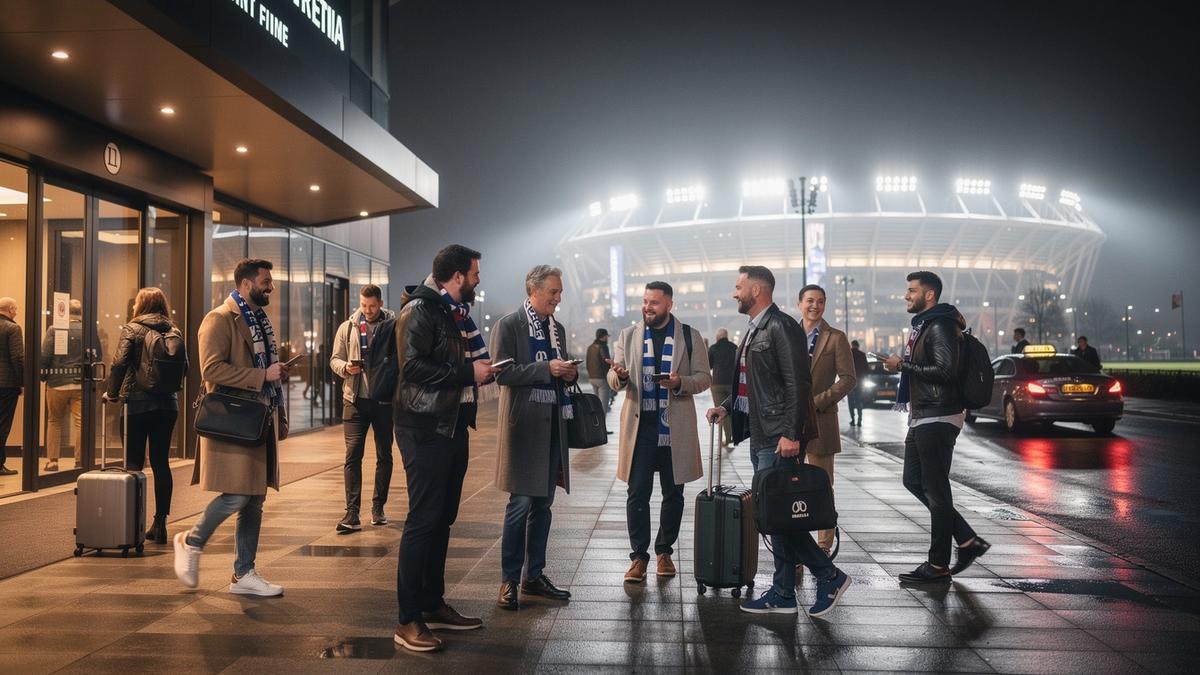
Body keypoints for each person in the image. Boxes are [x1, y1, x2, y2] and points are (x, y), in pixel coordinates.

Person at [706, 266, 851, 618]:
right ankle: (784, 593)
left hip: (777, 436)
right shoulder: (757, 328)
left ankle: (828, 575)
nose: (734, 292)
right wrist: (727, 408)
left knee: (779, 517)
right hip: (762, 433)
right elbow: (752, 385)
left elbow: (797, 385)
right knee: (777, 517)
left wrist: (791, 433)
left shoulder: (781, 326)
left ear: (757, 290)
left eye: (739, 287)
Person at [392, 244, 498, 653]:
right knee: (423, 520)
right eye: (473, 274)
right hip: (424, 425)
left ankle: (432, 603)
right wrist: (467, 372)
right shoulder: (420, 310)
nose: (477, 280)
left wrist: (479, 373)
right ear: (456, 275)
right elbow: (412, 367)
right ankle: (407, 619)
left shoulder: (452, 313)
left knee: (441, 518)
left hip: (452, 423)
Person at [173, 258, 289, 597]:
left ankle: (243, 574)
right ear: (245, 283)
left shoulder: (260, 321)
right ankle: (191, 541)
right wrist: (261, 376)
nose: (270, 286)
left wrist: (280, 413)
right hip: (234, 420)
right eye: (265, 281)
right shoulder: (219, 318)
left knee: (255, 499)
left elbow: (268, 369)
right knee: (237, 495)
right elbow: (210, 370)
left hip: (259, 418)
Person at [883, 271, 990, 584]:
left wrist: (901, 365)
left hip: (938, 416)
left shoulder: (940, 325)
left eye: (911, 291)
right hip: (924, 415)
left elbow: (944, 371)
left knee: (936, 490)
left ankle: (938, 565)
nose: (906, 296)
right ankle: (968, 540)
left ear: (929, 295)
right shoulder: (926, 326)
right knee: (913, 480)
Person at [608, 281, 710, 583]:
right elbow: (615, 378)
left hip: (674, 426)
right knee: (637, 493)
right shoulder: (629, 336)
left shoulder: (690, 336)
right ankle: (638, 557)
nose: (647, 307)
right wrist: (620, 376)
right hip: (640, 428)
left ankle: (664, 552)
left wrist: (680, 383)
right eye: (644, 301)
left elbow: (704, 378)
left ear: (669, 305)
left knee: (673, 493)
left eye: (654, 302)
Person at [491, 265, 577, 610]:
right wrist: (547, 369)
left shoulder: (557, 329)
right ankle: (509, 580)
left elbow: (560, 374)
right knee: (521, 505)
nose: (559, 298)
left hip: (554, 426)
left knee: (543, 506)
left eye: (559, 291)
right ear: (533, 290)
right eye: (553, 292)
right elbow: (502, 372)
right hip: (524, 428)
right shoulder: (510, 325)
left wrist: (568, 373)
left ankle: (534, 575)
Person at [105, 288, 186, 544]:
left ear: (140, 305)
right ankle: (160, 523)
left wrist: (112, 393)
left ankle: (132, 525)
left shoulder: (133, 328)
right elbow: (185, 367)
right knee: (161, 463)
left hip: (137, 404)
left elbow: (119, 362)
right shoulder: (174, 331)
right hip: (168, 405)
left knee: (133, 464)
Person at [329, 283, 397, 532]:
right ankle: (352, 512)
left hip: (384, 401)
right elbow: (334, 359)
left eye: (372, 306)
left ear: (380, 303)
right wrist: (345, 367)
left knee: (384, 455)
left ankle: (378, 508)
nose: (367, 310)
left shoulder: (393, 326)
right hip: (354, 399)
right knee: (352, 455)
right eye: (363, 306)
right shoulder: (348, 327)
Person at [797, 285, 856, 556]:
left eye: (820, 301)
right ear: (800, 304)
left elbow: (848, 379)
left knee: (821, 484)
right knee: (792, 486)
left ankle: (823, 544)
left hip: (822, 420)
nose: (815, 306)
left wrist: (820, 400)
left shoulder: (836, 337)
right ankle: (796, 542)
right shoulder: (789, 334)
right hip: (791, 422)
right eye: (810, 301)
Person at [40, 299, 88, 472]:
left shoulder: (55, 329)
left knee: (54, 420)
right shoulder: (87, 330)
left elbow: (45, 355)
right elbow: (96, 354)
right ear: (81, 313)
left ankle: (53, 461)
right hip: (80, 384)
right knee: (81, 423)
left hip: (57, 382)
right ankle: (79, 460)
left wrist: (42, 376)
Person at [0, 297, 22, 476]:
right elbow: (18, 358)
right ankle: (0, 464)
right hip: (7, 384)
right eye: (15, 309)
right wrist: (22, 382)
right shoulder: (13, 328)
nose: (16, 312)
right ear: (9, 309)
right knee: (3, 424)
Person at [707, 327, 738, 447]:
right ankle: (731, 436)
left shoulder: (713, 348)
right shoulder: (734, 347)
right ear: (727, 335)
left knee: (720, 410)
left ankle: (726, 437)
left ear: (717, 337)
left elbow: (709, 365)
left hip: (717, 384)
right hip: (732, 383)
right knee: (731, 409)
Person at [585, 328, 614, 413]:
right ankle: (602, 425)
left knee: (597, 404)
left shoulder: (590, 347)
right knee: (603, 406)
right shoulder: (603, 346)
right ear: (603, 336)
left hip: (592, 378)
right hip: (602, 379)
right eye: (606, 336)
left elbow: (587, 363)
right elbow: (606, 361)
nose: (607, 338)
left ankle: (596, 424)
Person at [847, 340, 870, 426]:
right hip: (860, 381)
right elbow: (866, 369)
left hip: (850, 382)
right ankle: (860, 420)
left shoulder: (848, 354)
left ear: (852, 345)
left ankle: (853, 419)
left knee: (851, 402)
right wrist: (866, 378)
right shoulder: (862, 355)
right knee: (859, 400)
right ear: (858, 346)